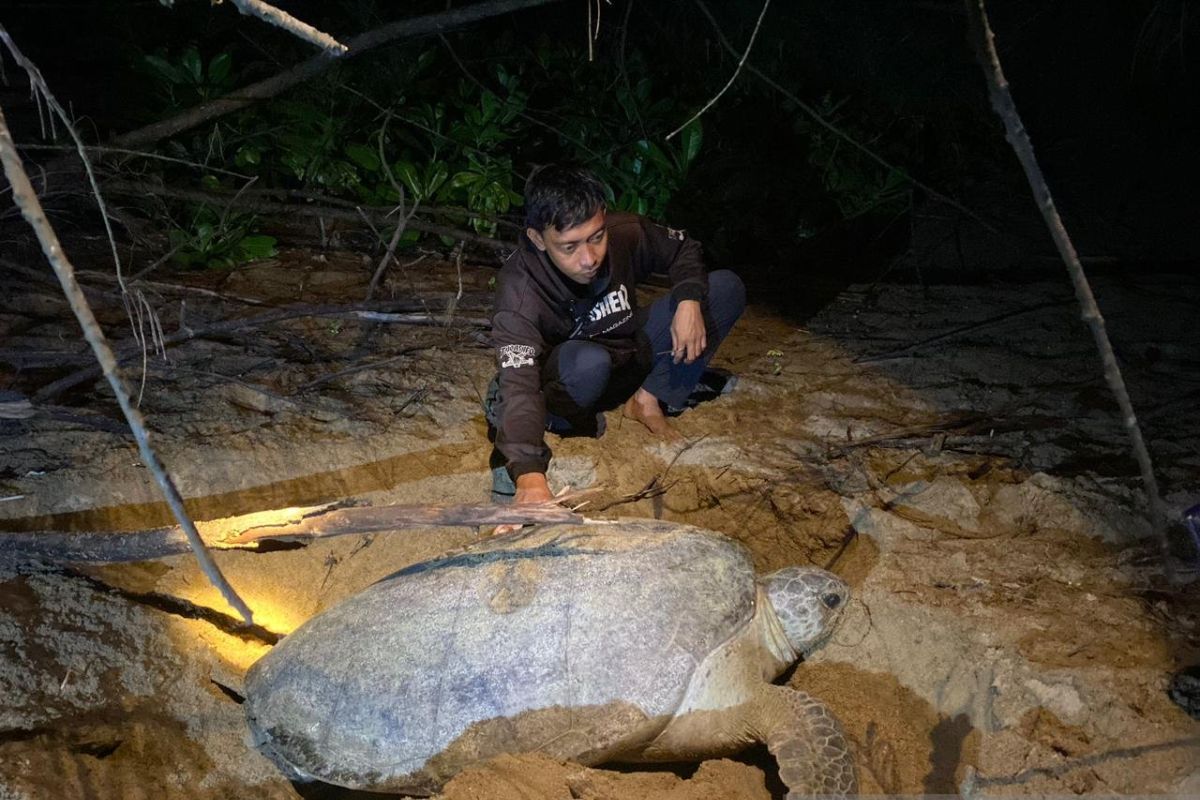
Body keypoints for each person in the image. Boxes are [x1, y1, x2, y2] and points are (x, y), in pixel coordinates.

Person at [487, 164, 746, 507]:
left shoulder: (624, 232)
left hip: (625, 351)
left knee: (725, 288)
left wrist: (688, 299)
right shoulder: (518, 294)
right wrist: (531, 478)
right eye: (569, 247)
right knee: (586, 363)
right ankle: (564, 420)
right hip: (567, 380)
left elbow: (684, 248)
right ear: (538, 239)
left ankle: (648, 398)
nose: (589, 259)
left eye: (596, 237)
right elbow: (519, 385)